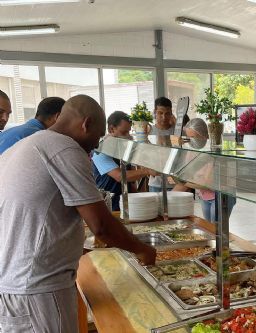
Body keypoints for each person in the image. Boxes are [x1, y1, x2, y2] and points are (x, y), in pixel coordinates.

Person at [0, 95, 156, 333]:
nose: (94, 148)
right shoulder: (64, 148)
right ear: (85, 124)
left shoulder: (30, 144)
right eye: (96, 138)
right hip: (37, 290)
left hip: (17, 284)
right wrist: (143, 249)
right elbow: (100, 226)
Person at [172, 118, 236, 222]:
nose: (190, 141)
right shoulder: (191, 151)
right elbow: (186, 176)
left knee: (216, 230)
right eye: (188, 137)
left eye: (193, 137)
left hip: (221, 196)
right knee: (209, 228)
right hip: (204, 196)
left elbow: (207, 184)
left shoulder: (213, 152)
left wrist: (180, 180)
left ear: (204, 135)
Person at [92, 111, 156, 211]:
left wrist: (139, 199)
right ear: (111, 129)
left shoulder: (122, 148)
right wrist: (147, 171)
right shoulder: (100, 151)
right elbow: (120, 176)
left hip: (125, 204)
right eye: (124, 132)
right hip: (110, 206)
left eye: (129, 132)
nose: (128, 137)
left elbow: (129, 182)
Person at [0, 97, 65, 154]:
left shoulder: (9, 132)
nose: (5, 119)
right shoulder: (42, 137)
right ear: (58, 116)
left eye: (8, 114)